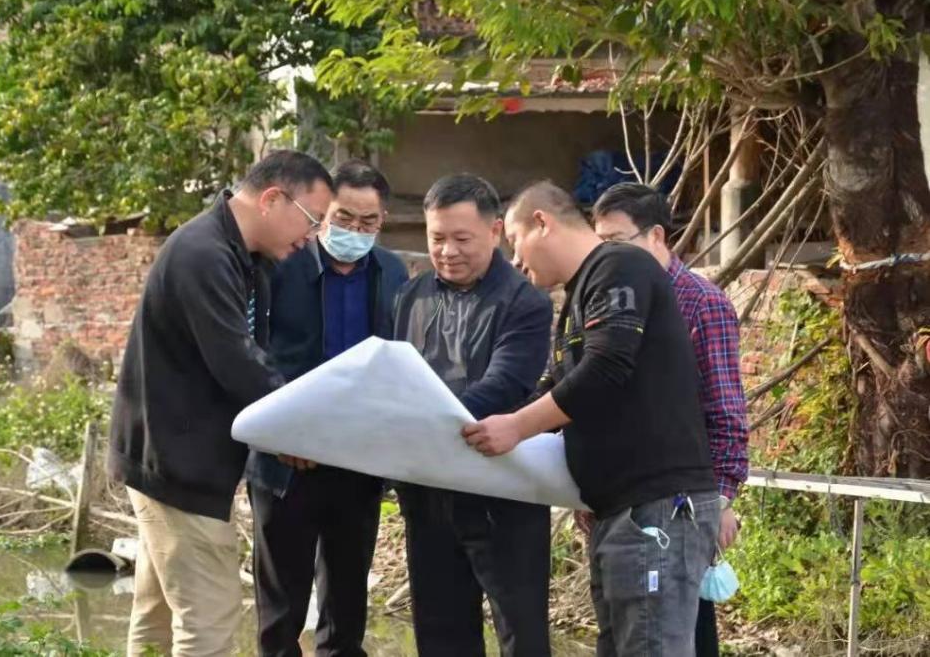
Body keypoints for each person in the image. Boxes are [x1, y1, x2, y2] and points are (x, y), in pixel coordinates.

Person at [462, 180, 719, 657]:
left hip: (654, 509)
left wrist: (516, 428)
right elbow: (560, 386)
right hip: (615, 511)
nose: (515, 262)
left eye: (515, 242)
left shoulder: (619, 265)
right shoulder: (581, 294)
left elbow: (605, 368)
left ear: (542, 222)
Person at [109, 150, 334, 657]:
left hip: (177, 458)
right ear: (273, 199)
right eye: (312, 219)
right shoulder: (203, 254)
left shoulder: (242, 256)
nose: (311, 236)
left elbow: (253, 354)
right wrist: (296, 432)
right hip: (175, 462)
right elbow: (238, 361)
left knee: (157, 615)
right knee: (209, 618)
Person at [246, 160, 408, 657]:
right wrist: (281, 432)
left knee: (346, 600)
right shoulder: (282, 264)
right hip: (287, 458)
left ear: (382, 221)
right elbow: (251, 353)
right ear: (322, 213)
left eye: (368, 222)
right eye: (344, 218)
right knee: (281, 606)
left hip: (358, 458)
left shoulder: (393, 273)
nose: (355, 231)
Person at [392, 174, 554, 657]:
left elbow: (506, 384)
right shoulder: (410, 297)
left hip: (501, 489)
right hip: (427, 490)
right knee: (440, 630)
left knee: (520, 632)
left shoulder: (525, 302)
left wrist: (428, 422)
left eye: (461, 238)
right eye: (437, 238)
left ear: (495, 230)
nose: (447, 251)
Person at [592, 182, 749, 657]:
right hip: (621, 499)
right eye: (600, 243)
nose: (606, 255)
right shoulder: (612, 299)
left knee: (682, 632)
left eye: (616, 241)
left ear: (657, 236)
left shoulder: (701, 302)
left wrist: (719, 499)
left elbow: (725, 411)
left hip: (682, 501)